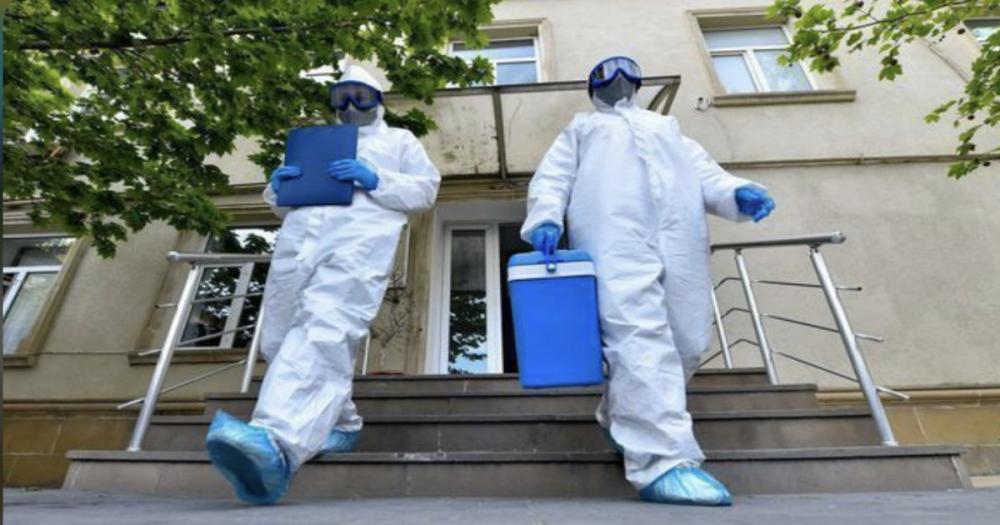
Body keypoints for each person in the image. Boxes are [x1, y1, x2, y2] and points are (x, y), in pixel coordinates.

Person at [522, 56, 775, 506]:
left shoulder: (667, 128)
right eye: (605, 71)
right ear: (591, 87)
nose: (617, 78)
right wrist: (545, 218)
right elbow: (553, 178)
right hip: (614, 236)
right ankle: (663, 463)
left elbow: (705, 174)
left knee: (688, 339)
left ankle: (617, 413)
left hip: (680, 237)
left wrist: (736, 192)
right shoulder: (583, 129)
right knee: (638, 337)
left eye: (626, 69)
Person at [205, 65, 441, 505]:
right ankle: (342, 423)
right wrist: (277, 188)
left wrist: (376, 179)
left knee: (324, 328)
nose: (350, 106)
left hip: (358, 246)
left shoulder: (399, 141)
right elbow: (283, 204)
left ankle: (275, 444)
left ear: (379, 101)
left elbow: (426, 191)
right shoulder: (314, 143)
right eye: (341, 97)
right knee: (279, 339)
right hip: (298, 246)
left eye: (360, 96)